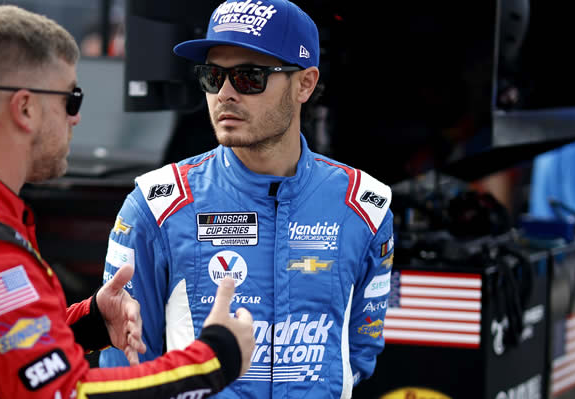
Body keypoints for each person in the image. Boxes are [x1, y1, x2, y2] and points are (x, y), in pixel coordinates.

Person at [0, 5, 254, 399]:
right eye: (72, 98)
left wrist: (90, 322)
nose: (77, 119)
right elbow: (68, 392)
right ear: (24, 108)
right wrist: (211, 360)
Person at [99, 0, 395, 398]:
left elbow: (359, 353)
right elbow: (127, 368)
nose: (224, 94)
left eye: (248, 77)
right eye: (212, 75)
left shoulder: (365, 207)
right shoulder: (157, 206)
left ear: (305, 83)